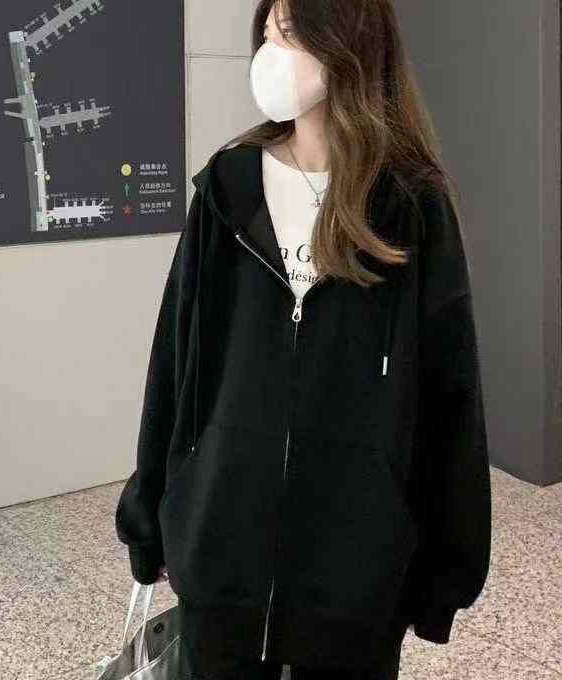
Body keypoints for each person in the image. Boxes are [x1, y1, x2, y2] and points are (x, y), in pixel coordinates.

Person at [115, 0, 492, 678]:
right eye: (266, 34)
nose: (269, 55)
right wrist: (152, 520)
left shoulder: (410, 206)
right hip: (220, 562)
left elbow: (450, 398)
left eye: (289, 35)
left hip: (353, 587)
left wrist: (443, 575)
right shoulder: (228, 188)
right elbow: (174, 363)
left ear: (346, 46)